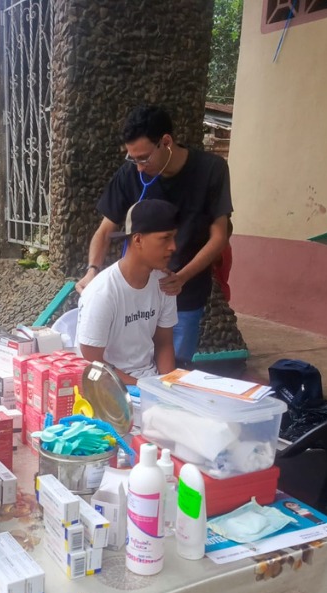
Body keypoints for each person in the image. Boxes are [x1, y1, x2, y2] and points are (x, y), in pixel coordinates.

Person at [76, 105, 232, 363]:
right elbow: (105, 230)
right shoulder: (130, 174)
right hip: (135, 297)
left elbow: (219, 237)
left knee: (174, 362)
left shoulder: (210, 170)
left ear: (166, 142)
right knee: (130, 363)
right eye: (133, 159)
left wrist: (181, 278)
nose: (139, 168)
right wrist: (92, 269)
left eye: (144, 158)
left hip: (182, 292)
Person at [77, 199, 178, 385]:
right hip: (108, 385)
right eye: (165, 238)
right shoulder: (102, 292)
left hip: (150, 381)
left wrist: (168, 385)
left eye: (173, 238)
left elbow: (164, 343)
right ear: (138, 240)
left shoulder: (164, 283)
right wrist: (141, 385)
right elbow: (91, 360)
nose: (173, 246)